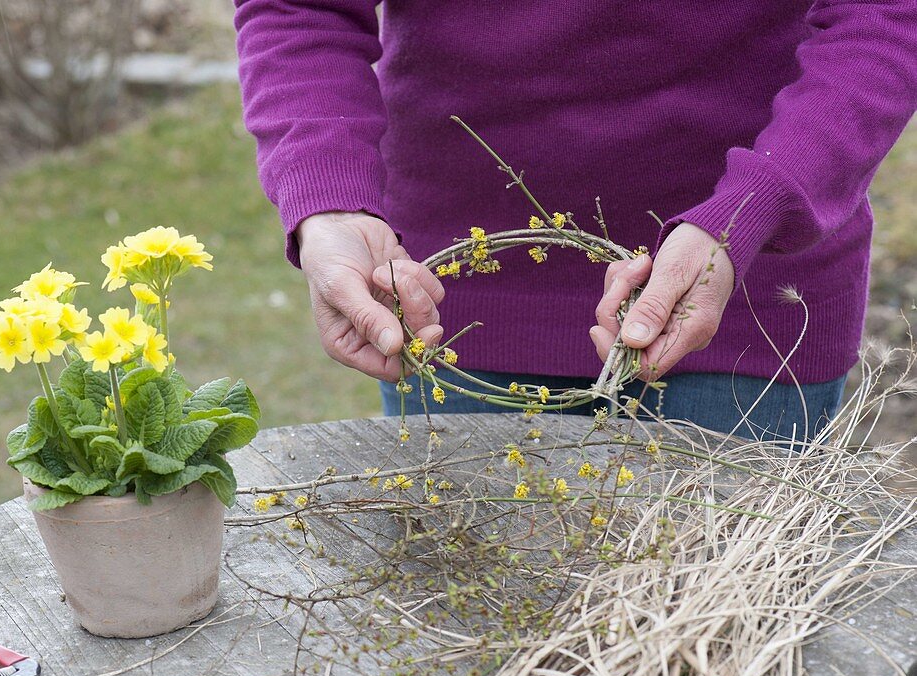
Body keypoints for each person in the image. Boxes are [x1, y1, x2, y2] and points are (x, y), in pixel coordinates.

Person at [233, 1, 917, 441]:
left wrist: (753, 210)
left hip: (749, 300)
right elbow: (301, 9)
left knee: (723, 643)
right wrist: (327, 201)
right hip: (448, 307)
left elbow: (884, 18)